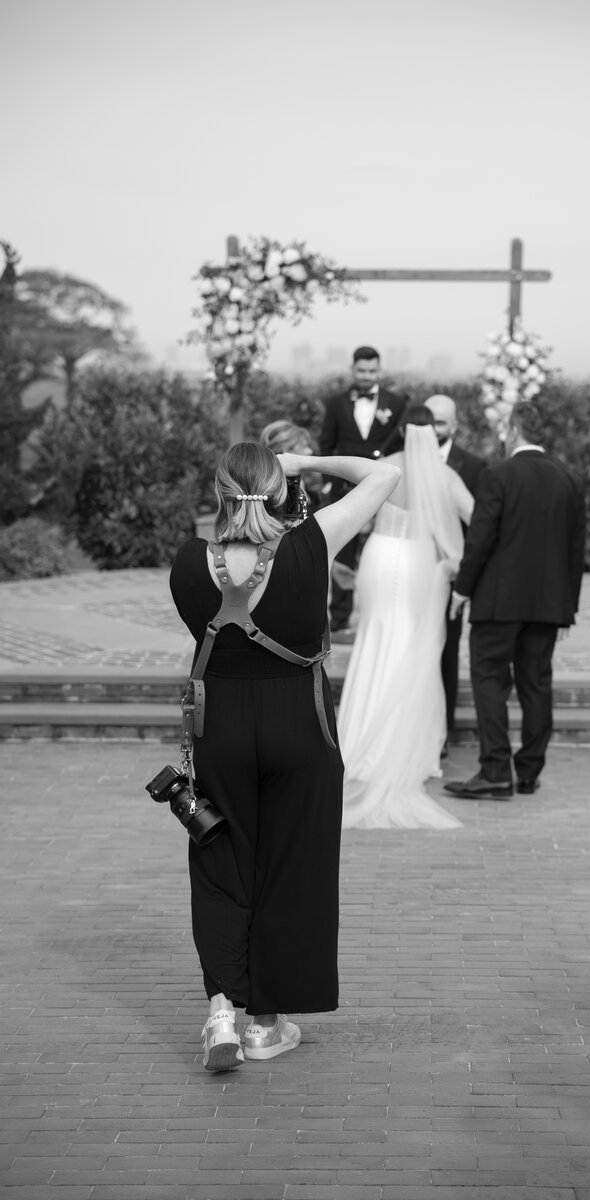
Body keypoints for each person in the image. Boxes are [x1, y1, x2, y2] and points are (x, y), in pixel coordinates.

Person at [169, 440, 400, 1071]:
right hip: (300, 725)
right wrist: (307, 464)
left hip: (221, 729)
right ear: (277, 489)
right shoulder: (311, 543)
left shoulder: (188, 562)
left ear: (219, 491)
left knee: (220, 862)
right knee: (289, 868)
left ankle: (221, 1011)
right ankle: (264, 1027)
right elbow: (386, 474)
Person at [338, 406, 474, 829]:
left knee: (376, 637)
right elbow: (478, 518)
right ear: (432, 434)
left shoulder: (385, 468)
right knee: (412, 644)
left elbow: (353, 514)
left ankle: (361, 740)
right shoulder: (445, 476)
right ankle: (407, 744)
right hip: (418, 561)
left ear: (400, 430)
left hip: (381, 556)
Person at [444, 402, 585, 800]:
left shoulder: (497, 475)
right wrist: (568, 609)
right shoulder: (570, 479)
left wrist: (462, 589)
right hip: (549, 604)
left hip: (499, 602)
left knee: (489, 678)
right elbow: (576, 550)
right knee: (536, 683)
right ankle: (528, 773)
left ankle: (495, 771)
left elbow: (480, 540)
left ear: (513, 430)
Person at [319, 346, 407, 632]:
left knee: (380, 550)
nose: (367, 376)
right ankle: (340, 618)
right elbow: (327, 443)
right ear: (353, 369)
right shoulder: (336, 403)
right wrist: (328, 482)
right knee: (343, 550)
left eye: (372, 370)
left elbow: (400, 446)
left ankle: (379, 616)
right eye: (362, 370)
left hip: (385, 489)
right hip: (344, 488)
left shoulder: (398, 403)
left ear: (379, 370)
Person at [423, 394, 487, 749]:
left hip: (450, 574)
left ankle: (442, 732)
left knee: (446, 651)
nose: (434, 429)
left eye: (441, 423)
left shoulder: (474, 467)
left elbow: (479, 526)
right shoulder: (401, 462)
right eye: (429, 421)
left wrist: (465, 572)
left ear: (455, 425)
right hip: (411, 570)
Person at [260, 419, 324, 515]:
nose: (310, 451)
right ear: (286, 451)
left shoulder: (301, 484)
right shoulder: (283, 492)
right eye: (304, 446)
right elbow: (299, 521)